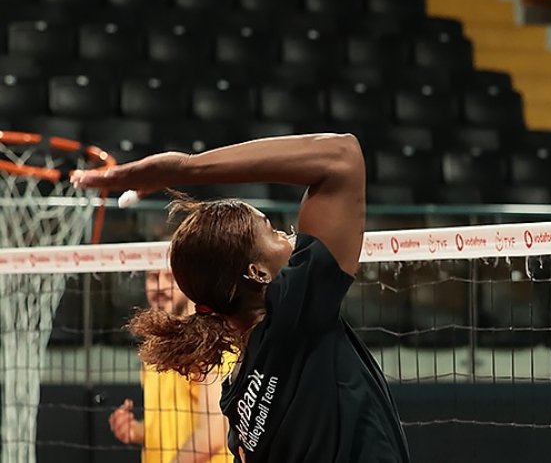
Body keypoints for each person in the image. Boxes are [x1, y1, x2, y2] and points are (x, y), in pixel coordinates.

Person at [73, 133, 410, 463]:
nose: (289, 235)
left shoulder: (236, 396)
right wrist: (186, 168)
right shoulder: (293, 315)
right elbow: (342, 155)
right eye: (274, 232)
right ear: (258, 273)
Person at [109, 268, 234, 463]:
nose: (160, 286)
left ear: (188, 283)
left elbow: (212, 436)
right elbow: (169, 428)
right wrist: (136, 431)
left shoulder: (207, 344)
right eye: (153, 277)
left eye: (170, 277)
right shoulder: (155, 347)